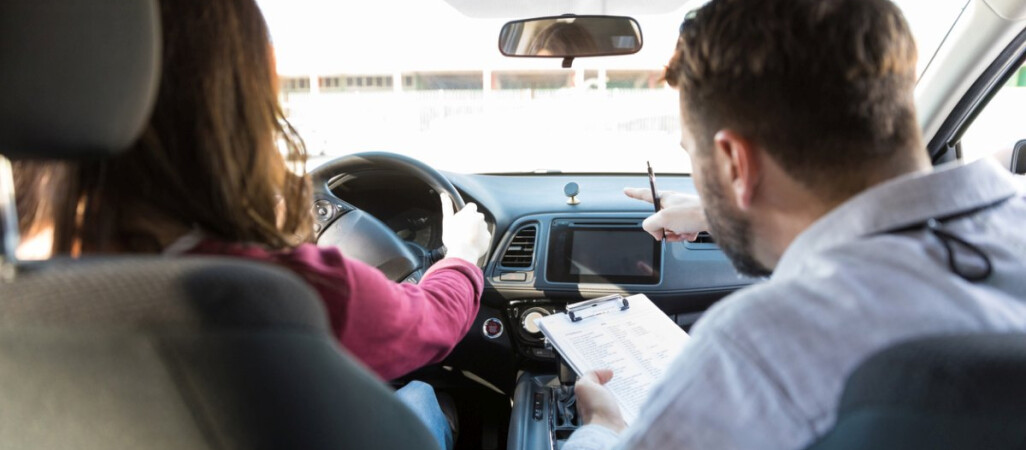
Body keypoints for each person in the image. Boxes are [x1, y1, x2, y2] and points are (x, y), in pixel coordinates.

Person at [16, 1, 488, 449]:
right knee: (424, 400)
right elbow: (433, 323)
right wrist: (462, 258)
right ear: (234, 107)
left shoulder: (19, 278)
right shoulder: (290, 291)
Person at [565, 0, 1026, 448]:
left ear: (734, 162)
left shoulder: (757, 348)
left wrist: (601, 427)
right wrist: (717, 212)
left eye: (694, 156)